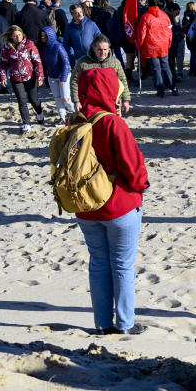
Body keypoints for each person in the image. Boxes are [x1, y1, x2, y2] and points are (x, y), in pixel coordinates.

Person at [72, 67, 149, 335]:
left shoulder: (75, 121)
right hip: (118, 205)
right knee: (122, 265)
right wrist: (141, 188)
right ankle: (125, 323)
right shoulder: (112, 123)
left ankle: (102, 324)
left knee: (98, 263)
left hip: (85, 206)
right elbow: (134, 167)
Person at [0, 25, 44, 132]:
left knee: (34, 100)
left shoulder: (29, 44)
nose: (18, 37)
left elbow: (37, 61)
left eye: (19, 35)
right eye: (15, 36)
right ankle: (26, 123)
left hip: (30, 77)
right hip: (15, 78)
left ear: (22, 34)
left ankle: (39, 112)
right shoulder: (6, 47)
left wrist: (40, 77)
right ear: (11, 36)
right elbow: (2, 64)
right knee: (22, 100)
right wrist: (3, 76)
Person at [70, 34, 131, 116]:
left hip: (112, 103)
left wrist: (126, 100)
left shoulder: (115, 63)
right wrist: (76, 101)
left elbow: (123, 81)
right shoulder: (82, 62)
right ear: (93, 48)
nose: (103, 52)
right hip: (91, 104)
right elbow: (74, 81)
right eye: (99, 50)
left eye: (105, 49)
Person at [134, 0, 176, 97]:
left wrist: (139, 45)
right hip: (163, 45)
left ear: (148, 4)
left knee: (156, 68)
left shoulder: (145, 17)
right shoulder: (165, 15)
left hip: (151, 46)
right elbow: (169, 31)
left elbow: (141, 34)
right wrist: (169, 43)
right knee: (165, 66)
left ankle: (160, 90)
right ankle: (173, 87)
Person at [37, 26, 73, 123]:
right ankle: (62, 117)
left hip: (63, 75)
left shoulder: (58, 46)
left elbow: (66, 62)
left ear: (51, 36)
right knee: (57, 98)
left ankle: (76, 112)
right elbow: (41, 63)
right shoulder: (42, 48)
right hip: (51, 76)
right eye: (41, 36)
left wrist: (63, 78)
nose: (43, 38)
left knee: (65, 98)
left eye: (45, 36)